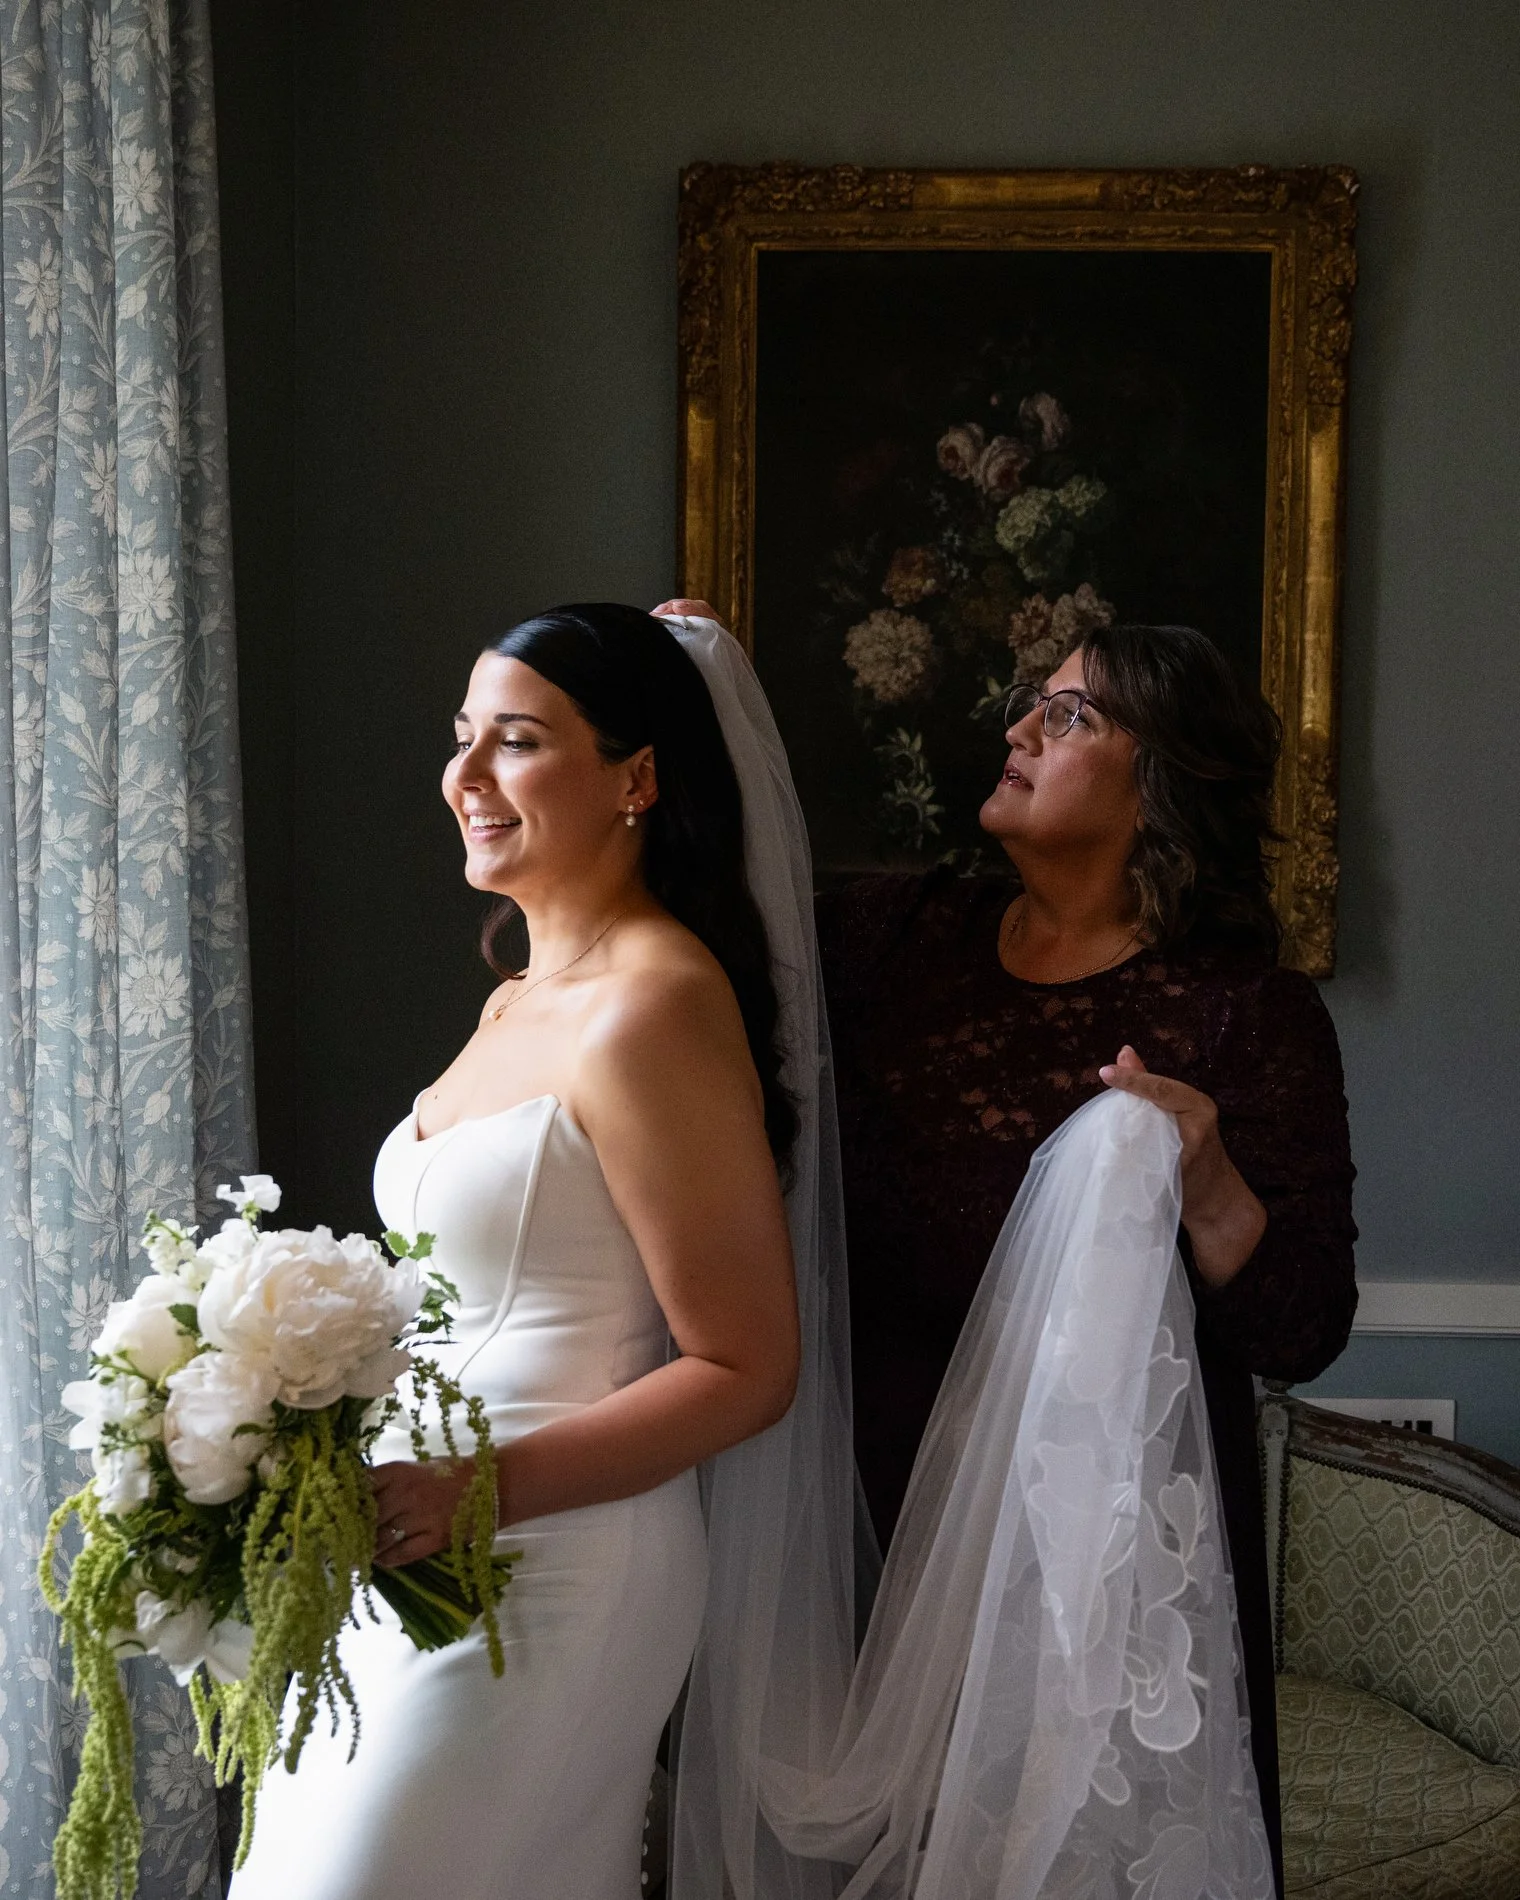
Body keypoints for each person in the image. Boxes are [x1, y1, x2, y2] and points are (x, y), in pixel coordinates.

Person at [227, 603, 804, 1900]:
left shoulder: (657, 1003)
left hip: (557, 1560)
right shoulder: (511, 1003)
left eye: (520, 741)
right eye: (462, 739)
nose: (465, 779)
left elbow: (749, 1365)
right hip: (405, 1546)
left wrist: (474, 1490)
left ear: (637, 778)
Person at [813, 621, 1359, 1897]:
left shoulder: (1246, 1014)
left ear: (1157, 781)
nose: (1016, 731)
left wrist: (1208, 1176)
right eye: (1029, 706)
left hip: (1098, 1574)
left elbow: (1303, 1329)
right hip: (869, 1521)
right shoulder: (895, 945)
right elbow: (722, 921)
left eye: (1066, 717)